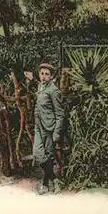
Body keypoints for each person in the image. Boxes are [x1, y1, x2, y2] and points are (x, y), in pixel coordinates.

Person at [33, 63, 65, 195]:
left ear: (51, 76)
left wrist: (56, 132)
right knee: (38, 154)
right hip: (39, 127)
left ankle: (46, 184)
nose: (44, 76)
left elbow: (60, 113)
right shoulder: (40, 87)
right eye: (42, 73)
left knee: (49, 156)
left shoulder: (53, 90)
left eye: (47, 74)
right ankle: (55, 180)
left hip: (49, 128)